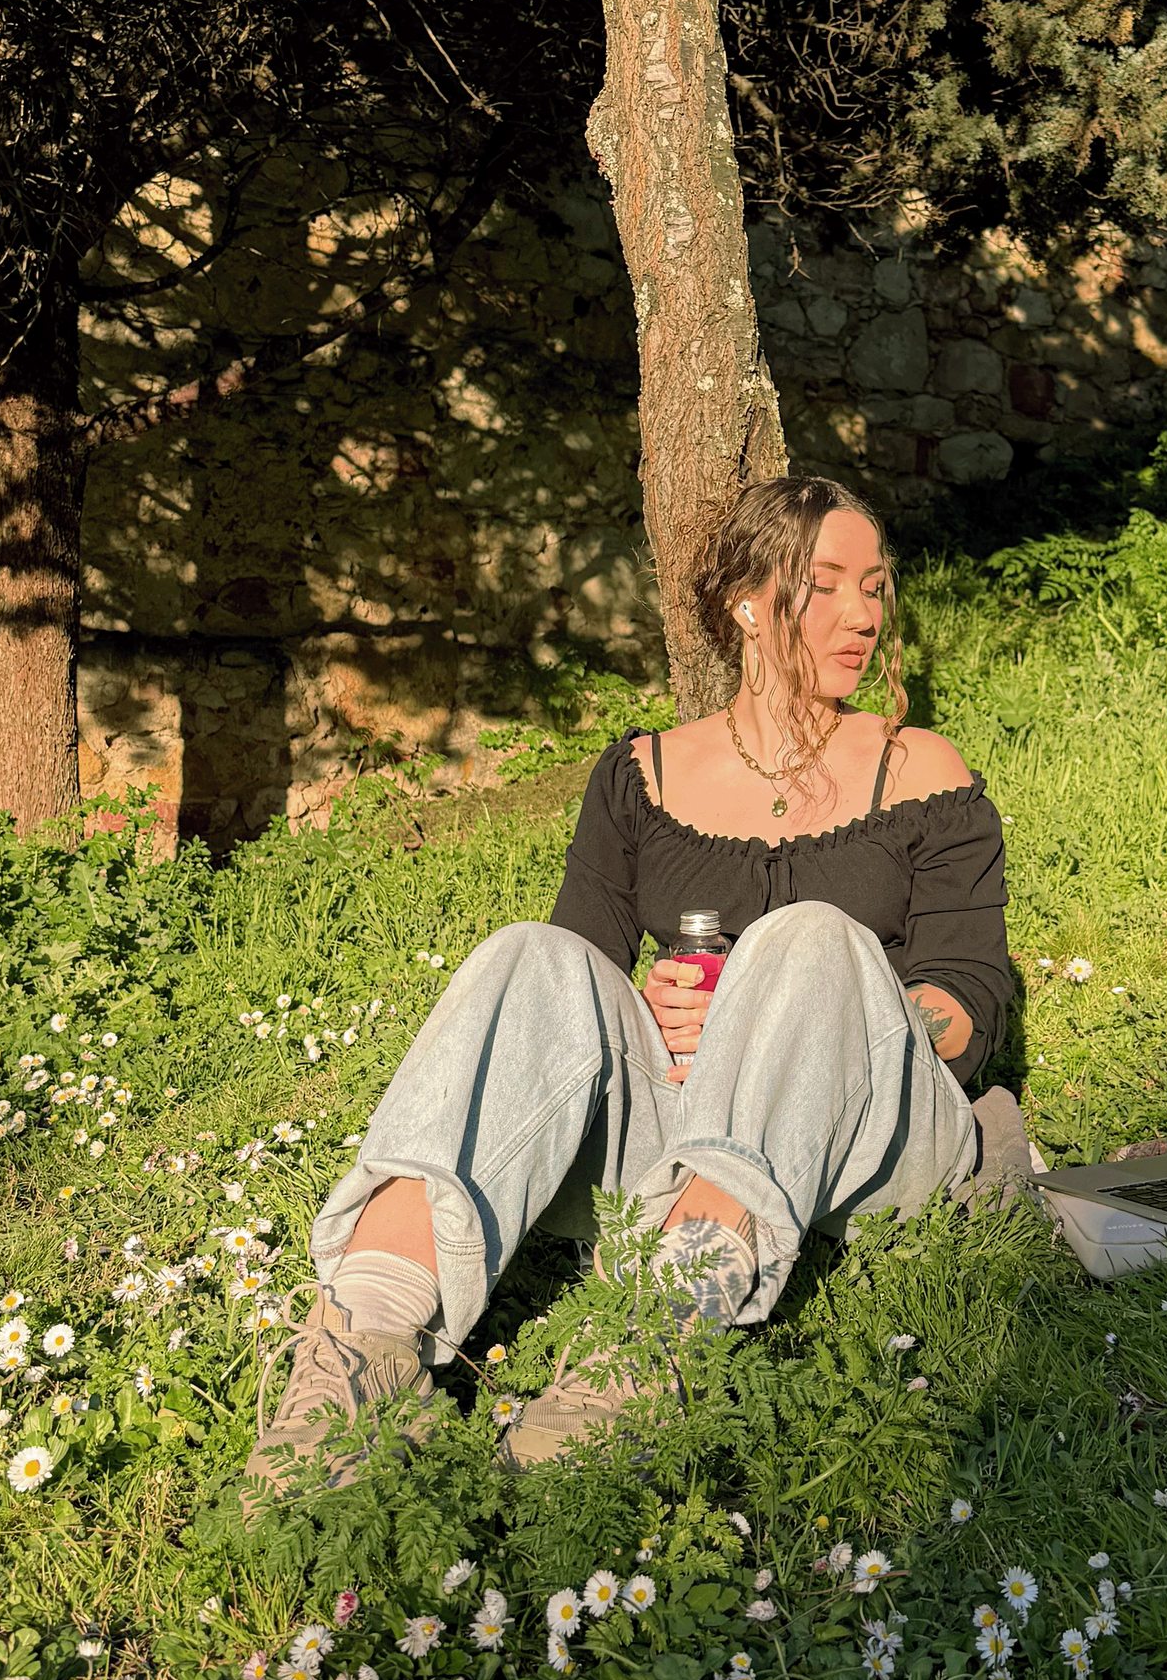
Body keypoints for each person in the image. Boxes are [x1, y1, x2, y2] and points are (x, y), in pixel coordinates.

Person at [247, 474, 1021, 1495]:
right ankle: (363, 1341)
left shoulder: (919, 768)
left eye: (874, 586)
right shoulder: (640, 774)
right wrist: (661, 1018)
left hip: (869, 1132)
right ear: (747, 602)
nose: (863, 614)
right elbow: (567, 998)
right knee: (530, 954)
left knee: (809, 941)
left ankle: (654, 1335)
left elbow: (973, 1000)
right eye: (826, 584)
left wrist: (827, 1014)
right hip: (680, 1126)